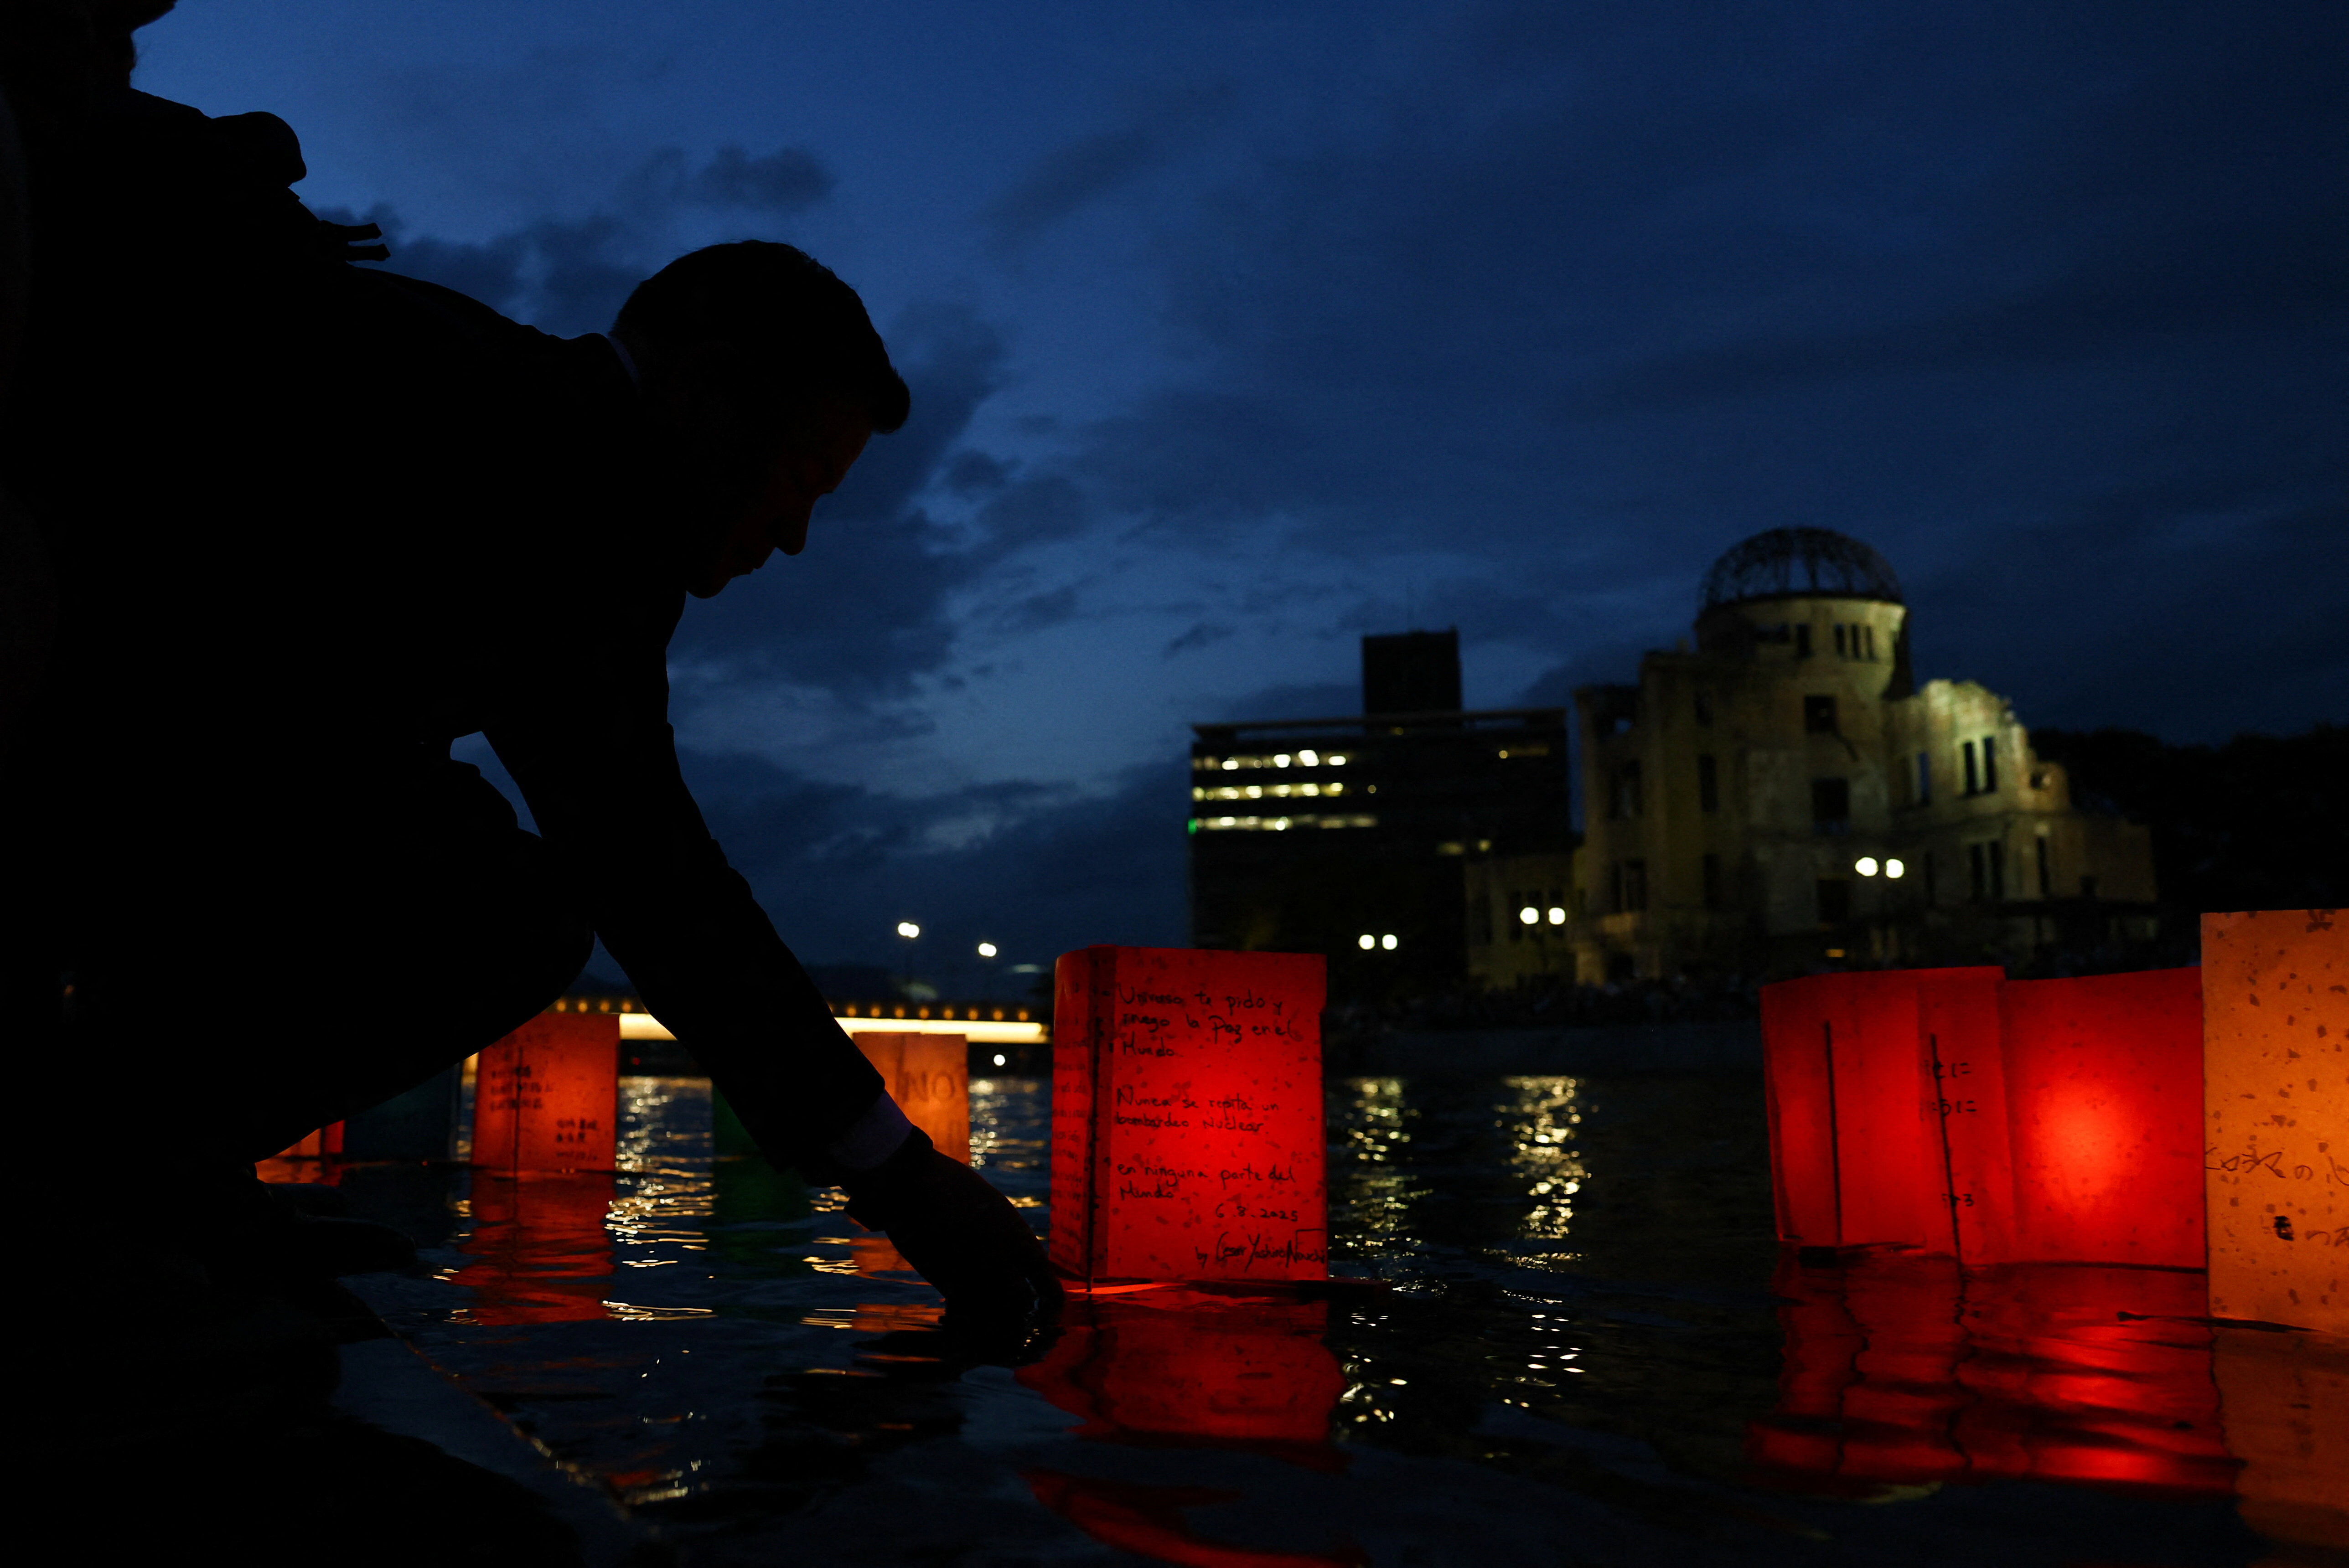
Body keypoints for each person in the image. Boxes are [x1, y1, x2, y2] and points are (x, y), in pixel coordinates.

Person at [4, 14, 1056, 1349]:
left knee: (445, 842)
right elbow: (657, 880)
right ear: (708, 396)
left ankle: (144, 1157)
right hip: (78, 767)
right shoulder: (571, 486)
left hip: (107, 757)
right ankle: (107, 1165)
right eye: (799, 486)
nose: (791, 538)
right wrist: (905, 1182)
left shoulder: (470, 389)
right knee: (507, 903)